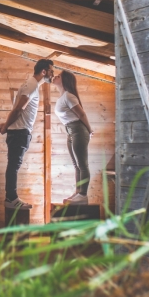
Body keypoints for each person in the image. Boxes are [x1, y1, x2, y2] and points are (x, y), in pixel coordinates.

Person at [0, 59, 55, 210]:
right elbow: (19, 109)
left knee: (13, 165)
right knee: (14, 165)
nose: (53, 74)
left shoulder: (31, 85)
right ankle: (11, 199)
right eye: (51, 71)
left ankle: (11, 198)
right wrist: (6, 127)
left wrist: (6, 125)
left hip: (19, 131)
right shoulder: (32, 85)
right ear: (43, 72)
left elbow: (17, 110)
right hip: (19, 133)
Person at [53, 70, 93, 205]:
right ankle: (78, 192)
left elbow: (82, 115)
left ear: (64, 81)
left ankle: (83, 195)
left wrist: (90, 130)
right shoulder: (63, 97)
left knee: (82, 164)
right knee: (76, 165)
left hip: (78, 130)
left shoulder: (69, 97)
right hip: (70, 131)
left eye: (58, 76)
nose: (55, 77)